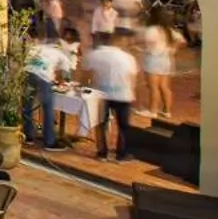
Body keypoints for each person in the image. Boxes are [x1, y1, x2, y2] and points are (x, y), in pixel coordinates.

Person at [83, 31, 139, 161]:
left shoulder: (94, 55)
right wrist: (133, 94)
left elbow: (86, 76)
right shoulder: (127, 58)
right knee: (123, 126)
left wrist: (85, 88)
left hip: (101, 94)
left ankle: (102, 152)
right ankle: (122, 153)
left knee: (101, 123)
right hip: (123, 94)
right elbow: (132, 79)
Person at [23, 33, 75, 151]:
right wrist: (61, 81)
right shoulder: (60, 53)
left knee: (28, 106)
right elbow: (65, 75)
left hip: (29, 74)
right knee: (48, 108)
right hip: (44, 78)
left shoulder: (37, 47)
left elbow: (27, 62)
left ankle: (28, 136)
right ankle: (49, 141)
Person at [140, 14, 177, 120]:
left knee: (153, 87)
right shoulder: (168, 30)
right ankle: (167, 111)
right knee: (164, 87)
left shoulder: (152, 30)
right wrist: (172, 50)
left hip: (154, 60)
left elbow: (149, 45)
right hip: (165, 61)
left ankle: (152, 111)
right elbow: (180, 41)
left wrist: (143, 49)